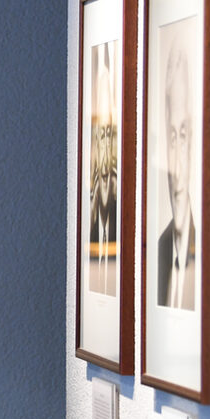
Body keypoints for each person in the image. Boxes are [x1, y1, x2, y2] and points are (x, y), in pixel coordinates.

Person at [157, 38, 197, 310]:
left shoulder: (208, 252)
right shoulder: (159, 247)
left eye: (183, 135)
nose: (178, 164)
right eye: (172, 137)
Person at [89, 44, 118, 296]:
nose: (106, 143)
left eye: (110, 134)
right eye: (101, 134)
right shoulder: (88, 206)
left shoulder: (124, 206)